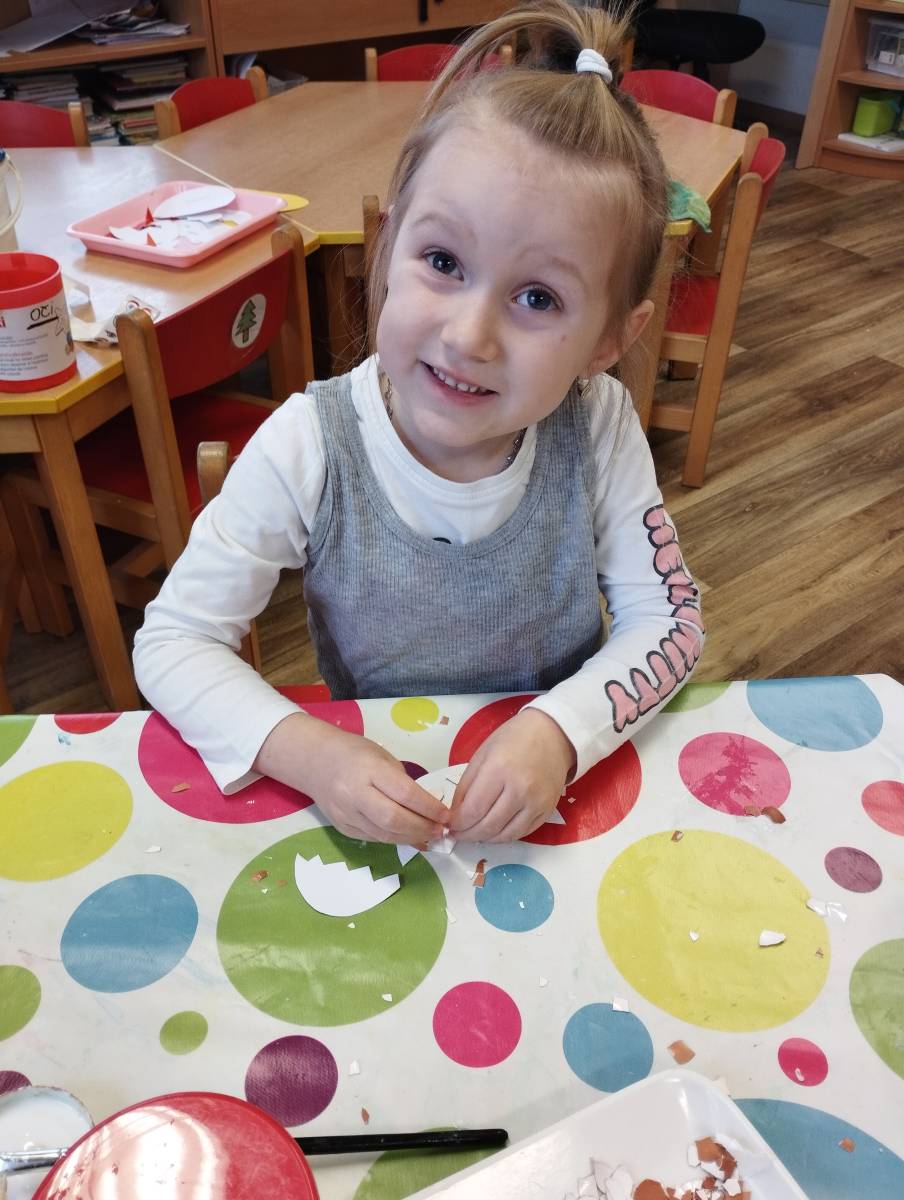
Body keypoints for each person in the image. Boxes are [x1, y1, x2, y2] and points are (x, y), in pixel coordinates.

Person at [133, 0, 704, 848]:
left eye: (538, 297)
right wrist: (312, 755)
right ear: (388, 245)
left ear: (608, 342)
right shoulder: (309, 443)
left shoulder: (598, 425)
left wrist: (559, 732)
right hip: (378, 804)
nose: (469, 337)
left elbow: (671, 622)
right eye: (443, 261)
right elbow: (175, 642)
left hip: (553, 799)